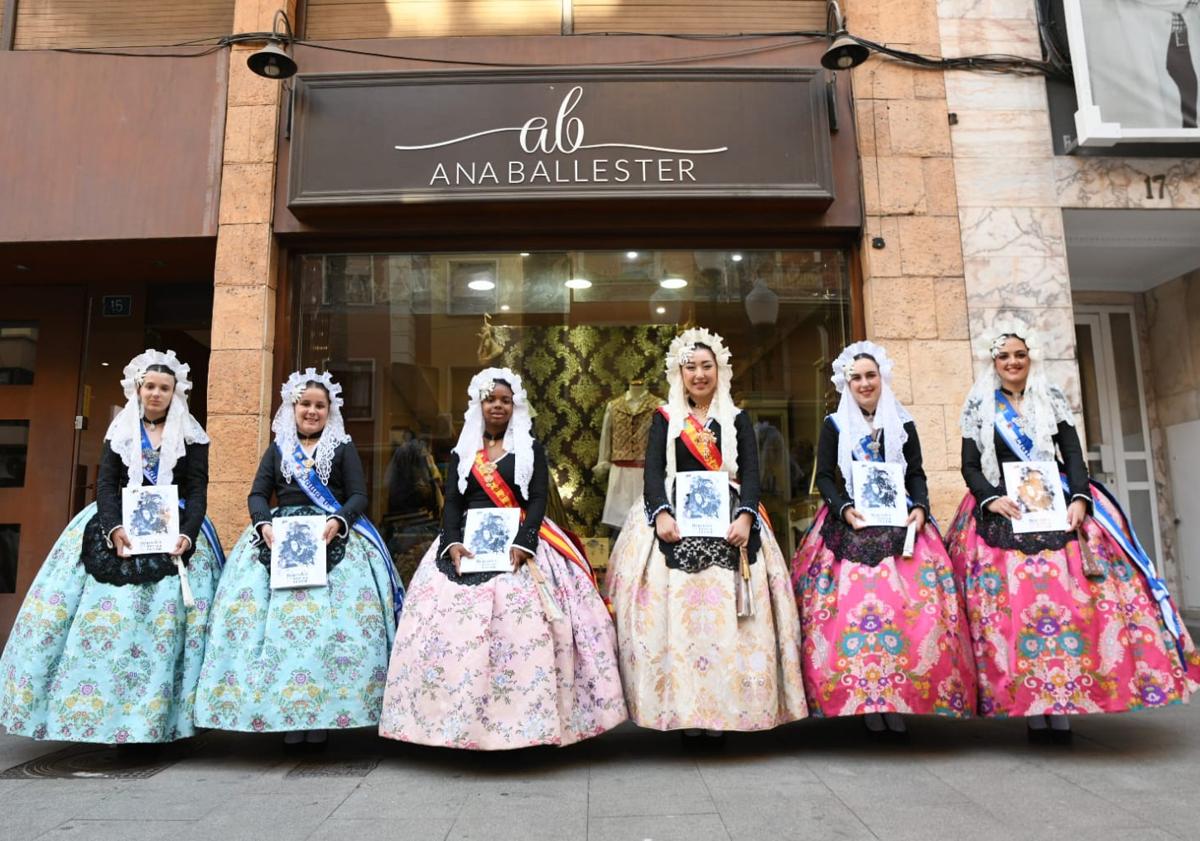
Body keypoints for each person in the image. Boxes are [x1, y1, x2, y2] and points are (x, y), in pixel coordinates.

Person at [945, 328, 1200, 740]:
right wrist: (990, 499)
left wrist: (1080, 497)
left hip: (1055, 503)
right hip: (1003, 510)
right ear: (993, 363)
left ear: (1030, 357)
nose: (1013, 362)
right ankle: (1030, 705)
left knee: (1071, 605)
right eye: (1004, 356)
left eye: (1020, 355)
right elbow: (970, 465)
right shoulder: (979, 406)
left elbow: (1073, 454)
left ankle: (1064, 702)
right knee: (1018, 609)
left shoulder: (1051, 397)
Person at [378, 368, 625, 749]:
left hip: (522, 541)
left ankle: (527, 724)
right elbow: (453, 503)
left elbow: (539, 498)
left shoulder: (530, 448)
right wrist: (451, 543)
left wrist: (526, 540)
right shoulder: (465, 451)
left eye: (504, 400)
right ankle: (454, 723)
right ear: (480, 404)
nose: (497, 405)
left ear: (515, 406)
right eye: (491, 399)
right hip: (468, 544)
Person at [0, 349, 223, 744]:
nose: (156, 393)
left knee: (166, 628)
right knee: (108, 624)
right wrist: (113, 527)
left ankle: (158, 721)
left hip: (175, 529)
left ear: (175, 393)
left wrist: (187, 534)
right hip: (121, 525)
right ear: (138, 388)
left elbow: (197, 489)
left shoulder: (191, 435)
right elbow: (106, 485)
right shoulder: (120, 430)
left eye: (164, 388)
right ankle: (101, 716)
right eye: (150, 386)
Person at [606, 328, 807, 740]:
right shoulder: (665, 418)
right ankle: (684, 710)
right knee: (678, 624)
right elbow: (652, 475)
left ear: (719, 370)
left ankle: (724, 711)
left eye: (706, 367)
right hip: (675, 524)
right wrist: (660, 514)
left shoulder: (736, 419)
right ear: (679, 373)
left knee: (727, 624)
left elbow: (750, 473)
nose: (699, 374)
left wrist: (747, 517)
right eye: (690, 367)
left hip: (730, 520)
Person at [194, 369, 402, 748]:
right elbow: (258, 494)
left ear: (329, 410)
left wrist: (341, 519)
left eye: (320, 405)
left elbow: (358, 495)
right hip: (281, 538)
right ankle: (282, 711)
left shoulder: (342, 447)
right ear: (293, 408)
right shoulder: (277, 449)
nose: (312, 411)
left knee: (330, 630)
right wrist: (263, 525)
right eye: (305, 404)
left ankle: (324, 713)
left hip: (333, 537)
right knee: (274, 632)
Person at [791, 342, 975, 736]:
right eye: (855, 377)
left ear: (882, 378)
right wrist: (842, 508)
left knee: (911, 610)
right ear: (846, 382)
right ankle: (866, 700)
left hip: (899, 520)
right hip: (851, 521)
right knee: (851, 611)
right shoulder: (834, 425)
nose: (864, 383)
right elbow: (824, 476)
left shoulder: (903, 423)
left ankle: (900, 696)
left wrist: (921, 507)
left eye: (870, 376)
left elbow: (917, 474)